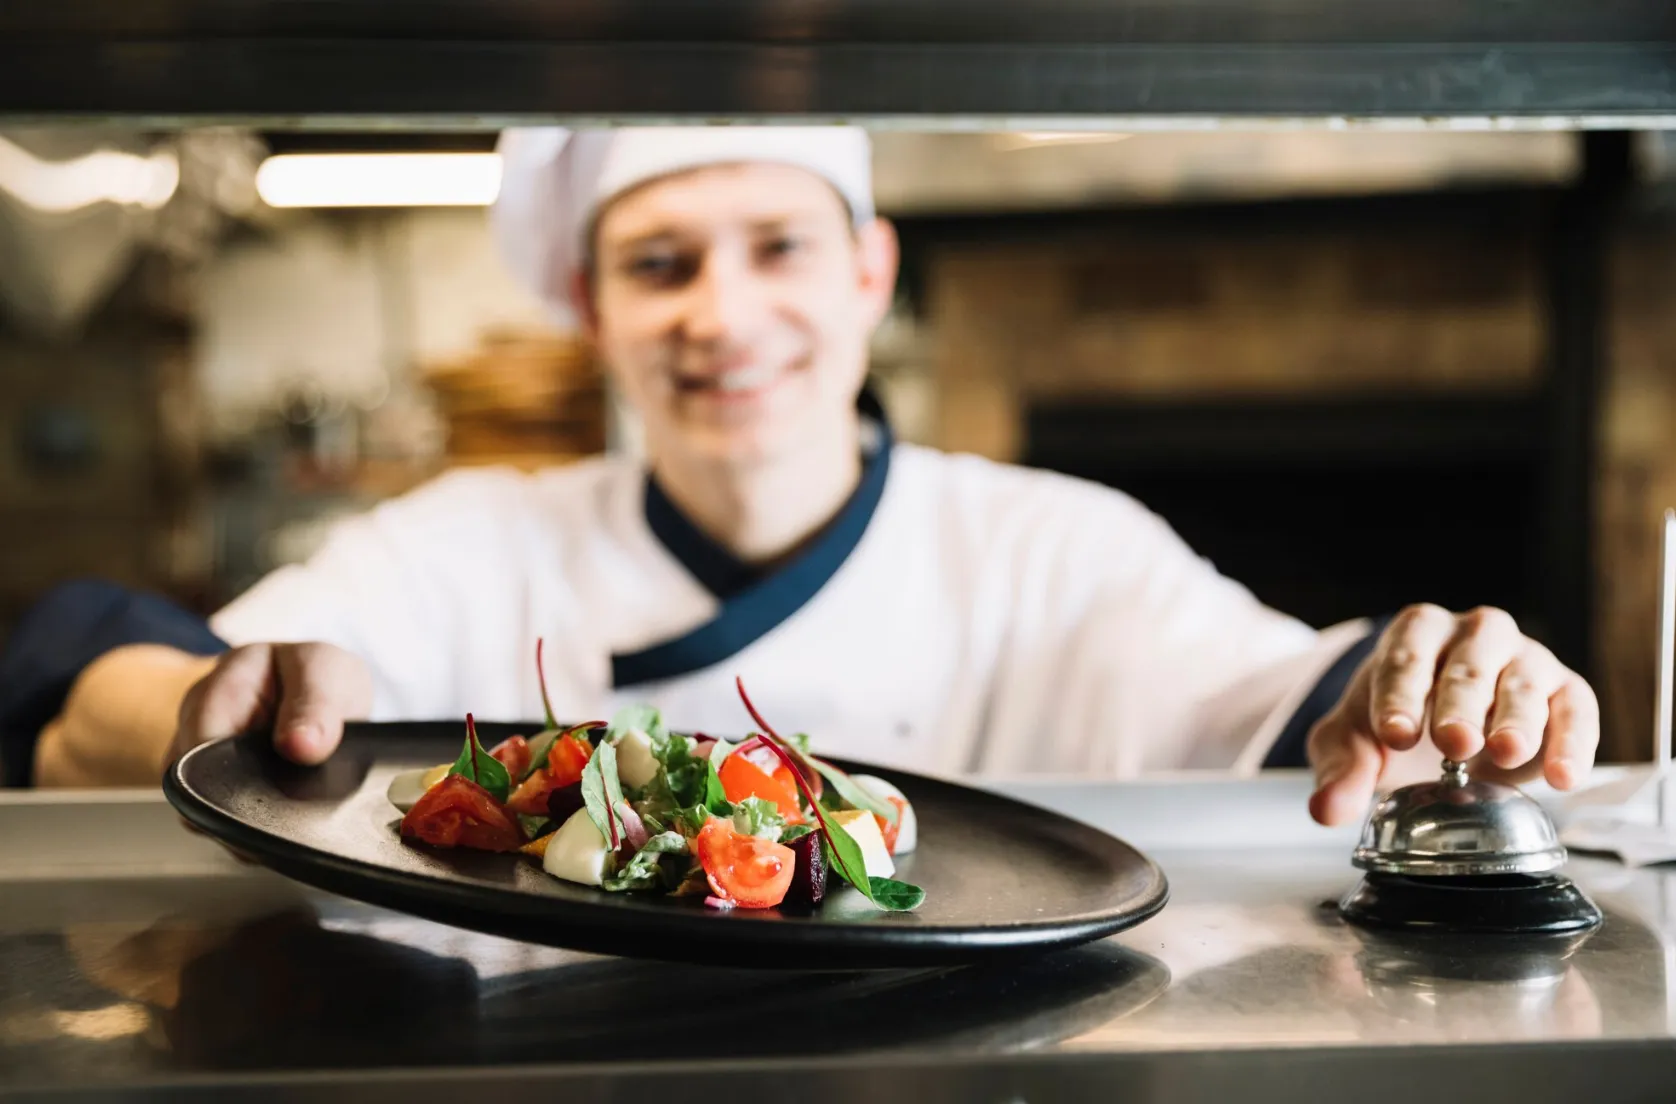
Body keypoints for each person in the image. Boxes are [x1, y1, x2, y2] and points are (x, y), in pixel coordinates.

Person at [20, 126, 1598, 827]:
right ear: (592, 311)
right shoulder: (462, 551)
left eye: (778, 247)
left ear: (867, 275)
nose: (723, 313)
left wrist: (1436, 677)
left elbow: (1290, 703)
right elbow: (103, 684)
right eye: (659, 263)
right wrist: (192, 703)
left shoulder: (1050, 549)